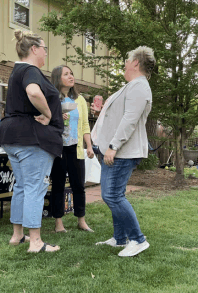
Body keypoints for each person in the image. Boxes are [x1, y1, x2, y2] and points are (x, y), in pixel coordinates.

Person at [0, 30, 64, 253]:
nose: (45, 53)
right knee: (36, 187)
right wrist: (49, 114)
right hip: (31, 139)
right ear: (34, 49)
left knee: (23, 186)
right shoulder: (31, 70)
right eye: (44, 49)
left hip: (12, 137)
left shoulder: (16, 70)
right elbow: (34, 92)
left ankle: (17, 235)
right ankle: (35, 242)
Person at [91, 46, 156, 257]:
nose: (125, 63)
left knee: (111, 195)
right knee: (114, 195)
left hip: (122, 151)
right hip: (117, 150)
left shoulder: (139, 86)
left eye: (128, 60)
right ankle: (120, 238)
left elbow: (130, 120)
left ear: (136, 63)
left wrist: (113, 146)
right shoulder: (133, 86)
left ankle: (138, 239)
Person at [50, 65, 94, 233]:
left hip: (75, 149)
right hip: (58, 150)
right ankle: (58, 223)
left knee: (78, 185)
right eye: (66, 74)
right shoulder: (53, 99)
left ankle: (81, 220)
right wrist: (58, 118)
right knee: (58, 186)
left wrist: (89, 146)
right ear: (57, 78)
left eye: (71, 73)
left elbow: (84, 125)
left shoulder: (80, 100)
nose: (70, 76)